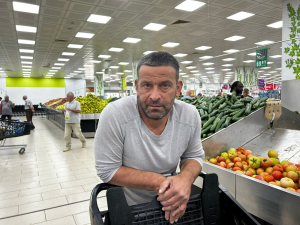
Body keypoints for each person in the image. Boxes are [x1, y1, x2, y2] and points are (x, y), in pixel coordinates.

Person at [94, 51, 205, 224]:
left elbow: (194, 155)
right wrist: (163, 183)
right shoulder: (115, 114)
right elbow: (107, 170)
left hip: (175, 208)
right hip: (129, 211)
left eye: (165, 86)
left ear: (178, 87)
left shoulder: (190, 115)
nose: (154, 96)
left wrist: (185, 179)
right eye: (147, 85)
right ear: (137, 86)